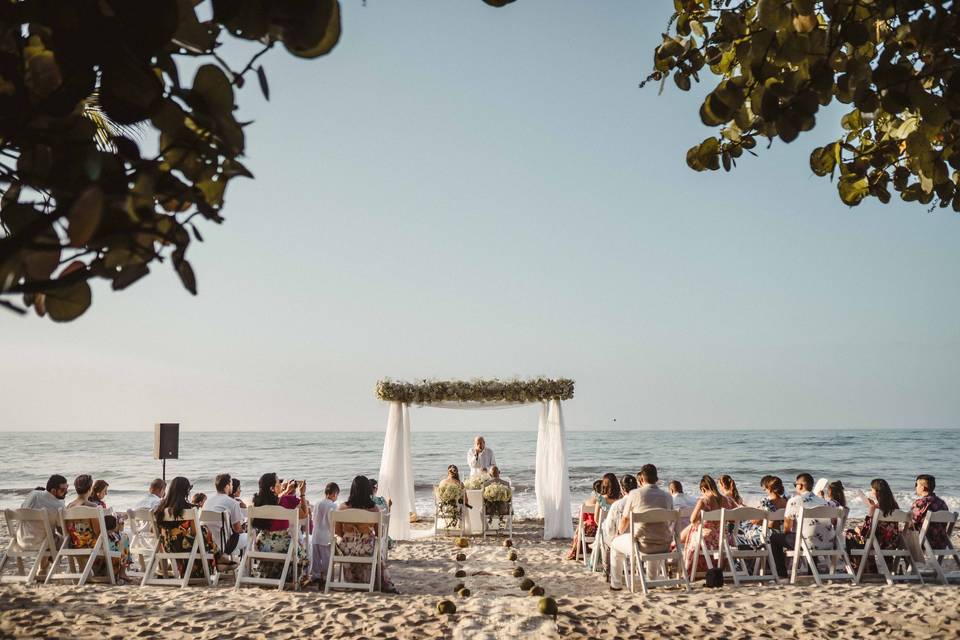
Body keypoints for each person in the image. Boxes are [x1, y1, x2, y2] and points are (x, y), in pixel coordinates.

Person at [609, 464, 673, 590]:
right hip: (664, 544)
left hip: (642, 545)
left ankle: (615, 584)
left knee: (615, 544)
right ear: (656, 478)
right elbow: (670, 521)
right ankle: (651, 579)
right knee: (655, 534)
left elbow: (625, 518)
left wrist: (618, 533)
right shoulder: (667, 496)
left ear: (642, 479)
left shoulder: (635, 494)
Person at [336, 475, 397, 593]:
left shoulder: (342, 508)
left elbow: (337, 532)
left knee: (355, 546)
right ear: (368, 490)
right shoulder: (374, 510)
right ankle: (382, 583)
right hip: (366, 548)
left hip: (347, 548)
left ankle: (354, 581)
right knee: (377, 550)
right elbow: (380, 534)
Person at [768, 472, 836, 579]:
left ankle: (782, 575)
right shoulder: (824, 502)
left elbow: (787, 528)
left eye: (795, 485)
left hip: (808, 543)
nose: (795, 487)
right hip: (829, 542)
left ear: (800, 485)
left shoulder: (795, 501)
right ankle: (812, 572)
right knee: (810, 532)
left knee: (775, 538)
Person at [154, 476, 220, 578]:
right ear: (185, 491)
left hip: (168, 546)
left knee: (203, 537)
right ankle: (219, 560)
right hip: (184, 546)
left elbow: (154, 529)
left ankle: (217, 560)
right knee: (205, 532)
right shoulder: (188, 509)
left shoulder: (161, 508)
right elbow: (194, 533)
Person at [251, 473, 309, 584]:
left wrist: (285, 491)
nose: (281, 486)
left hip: (262, 544)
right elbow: (304, 514)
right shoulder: (285, 500)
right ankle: (298, 578)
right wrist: (302, 494)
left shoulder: (257, 503)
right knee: (303, 554)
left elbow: (276, 500)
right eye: (278, 484)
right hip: (282, 545)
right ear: (272, 488)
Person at [679, 475, 738, 576]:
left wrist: (701, 519)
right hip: (725, 540)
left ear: (703, 489)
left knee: (693, 531)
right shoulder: (728, 500)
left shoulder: (704, 501)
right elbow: (735, 517)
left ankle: (690, 570)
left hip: (708, 541)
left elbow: (692, 519)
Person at [845, 478, 901, 572]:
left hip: (878, 543)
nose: (871, 491)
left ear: (877, 492)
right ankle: (872, 567)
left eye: (872, 489)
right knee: (872, 536)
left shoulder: (875, 508)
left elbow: (864, 533)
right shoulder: (895, 506)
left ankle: (857, 568)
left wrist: (858, 529)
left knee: (850, 533)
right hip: (892, 542)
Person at [596, 474, 639, 574]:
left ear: (623, 488)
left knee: (607, 540)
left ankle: (609, 572)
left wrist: (617, 533)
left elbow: (610, 529)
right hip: (641, 540)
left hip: (625, 541)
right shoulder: (642, 503)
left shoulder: (618, 504)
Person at [18, 474, 68, 548]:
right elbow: (62, 529)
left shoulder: (33, 494)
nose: (66, 492)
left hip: (21, 540)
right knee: (66, 541)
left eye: (67, 487)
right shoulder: (59, 506)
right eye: (63, 490)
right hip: (41, 543)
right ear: (53, 491)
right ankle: (51, 559)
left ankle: (46, 559)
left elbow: (22, 509)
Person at [738, 475, 787, 549]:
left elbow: (763, 522)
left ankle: (745, 557)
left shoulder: (766, 502)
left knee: (740, 531)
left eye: (765, 488)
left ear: (769, 488)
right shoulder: (786, 501)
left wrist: (752, 520)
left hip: (767, 533)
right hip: (780, 532)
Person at [204, 473, 247, 557]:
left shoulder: (208, 501)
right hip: (226, 544)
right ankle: (245, 568)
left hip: (208, 542)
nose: (232, 486)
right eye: (231, 484)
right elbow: (237, 529)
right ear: (227, 486)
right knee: (250, 537)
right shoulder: (233, 503)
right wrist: (244, 531)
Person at [310, 482, 340, 586]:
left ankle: (316, 575)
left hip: (315, 535)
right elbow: (332, 522)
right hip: (326, 536)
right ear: (334, 494)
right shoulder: (333, 505)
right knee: (326, 558)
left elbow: (313, 519)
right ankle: (327, 577)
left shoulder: (318, 503)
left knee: (316, 558)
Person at [910, 474, 950, 548]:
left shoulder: (921, 503)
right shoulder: (942, 503)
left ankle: (909, 558)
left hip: (925, 542)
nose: (915, 487)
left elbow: (912, 522)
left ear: (923, 487)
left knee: (903, 535)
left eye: (916, 484)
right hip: (941, 542)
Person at [566, 479, 602, 560]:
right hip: (600, 530)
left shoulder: (586, 503)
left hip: (588, 532)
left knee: (581, 529)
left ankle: (577, 550)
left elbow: (581, 521)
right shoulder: (605, 503)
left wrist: (577, 532)